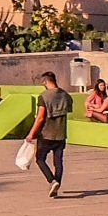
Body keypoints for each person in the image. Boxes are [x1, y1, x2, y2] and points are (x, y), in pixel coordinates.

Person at [26, 69, 71, 197]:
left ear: (46, 82)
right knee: (58, 161)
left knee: (40, 159)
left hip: (46, 133)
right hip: (61, 133)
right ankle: (57, 183)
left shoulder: (44, 96)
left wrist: (31, 134)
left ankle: (52, 180)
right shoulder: (65, 95)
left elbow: (40, 117)